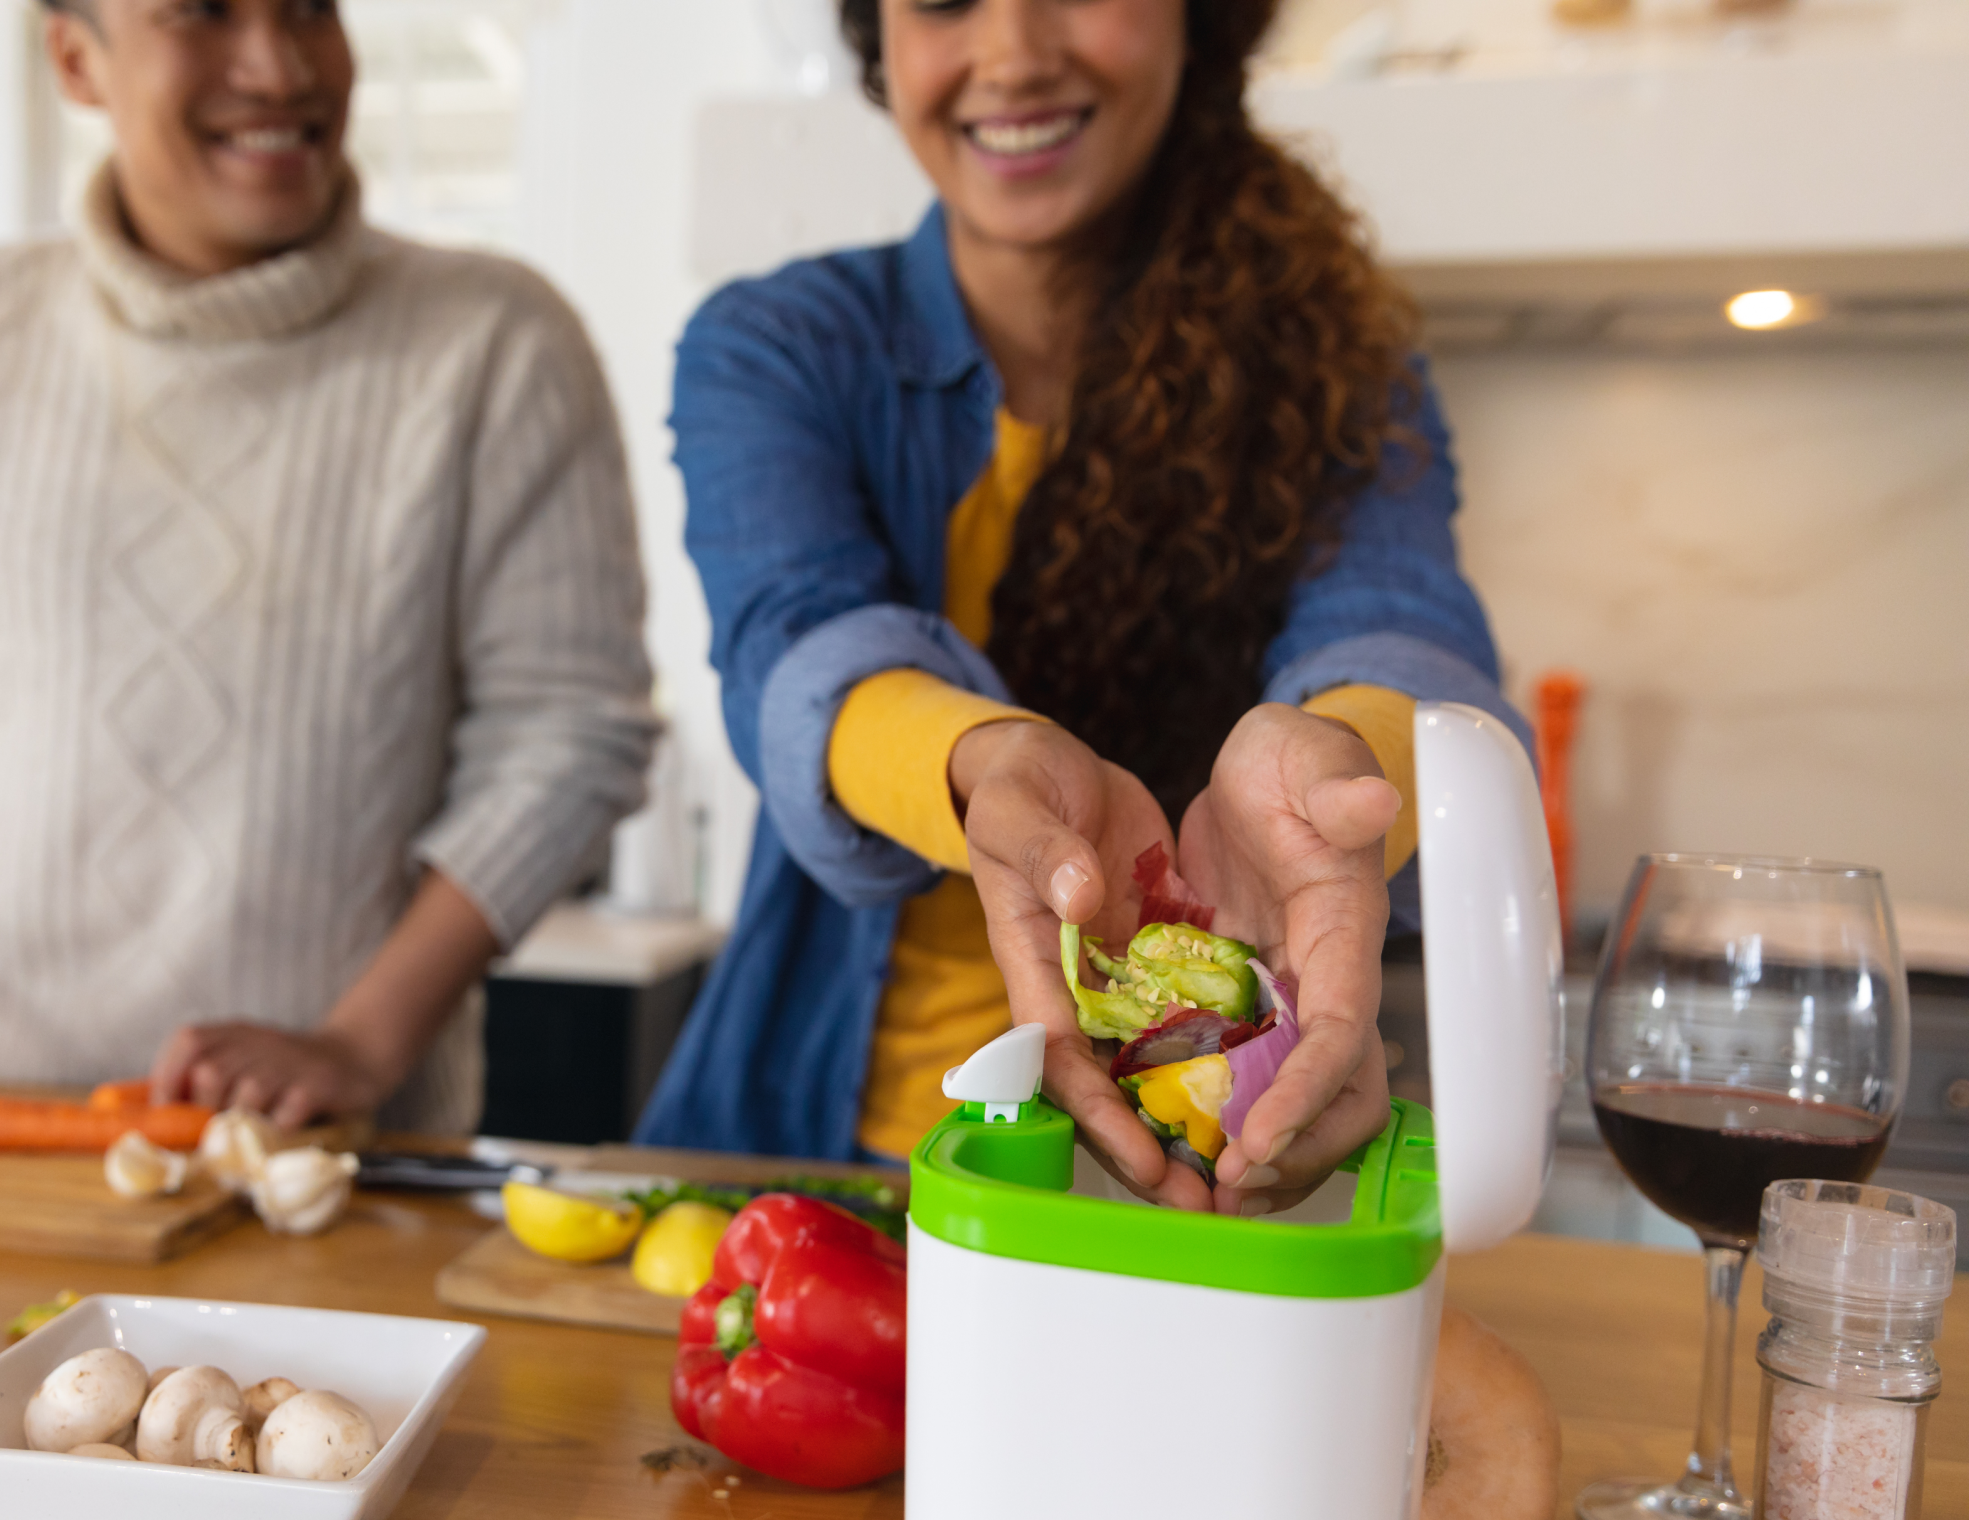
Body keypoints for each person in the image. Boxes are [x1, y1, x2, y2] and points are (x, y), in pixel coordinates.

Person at [0, 0, 656, 1134]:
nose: (278, 63)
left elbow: (566, 735)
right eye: (201, 13)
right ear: (75, 59)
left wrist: (360, 1040)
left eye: (309, 7)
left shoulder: (495, 339)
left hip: (309, 1151)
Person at [635, 0, 1525, 1213]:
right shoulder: (779, 346)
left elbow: (1403, 629)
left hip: (1199, 1167)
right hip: (829, 1166)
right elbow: (798, 650)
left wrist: (1335, 776)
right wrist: (984, 763)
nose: (1011, 53)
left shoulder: (1339, 359)